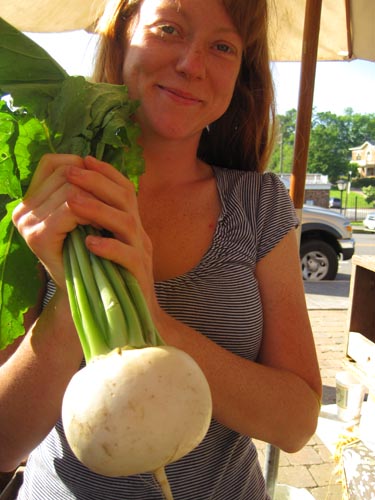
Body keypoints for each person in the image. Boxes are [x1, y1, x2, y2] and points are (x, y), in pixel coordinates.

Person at [0, 0, 322, 498]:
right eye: (168, 28)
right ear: (121, 36)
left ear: (241, 74)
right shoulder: (42, 196)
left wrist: (155, 319)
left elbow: (297, 422)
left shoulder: (258, 205)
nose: (192, 65)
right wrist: (67, 301)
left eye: (222, 46)